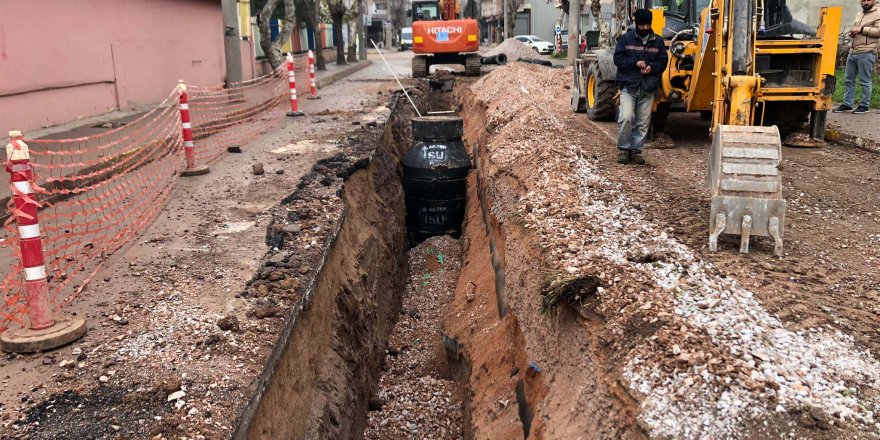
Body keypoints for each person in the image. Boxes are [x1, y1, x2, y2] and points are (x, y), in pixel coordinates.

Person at [613, 9, 668, 165]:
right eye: (642, 24)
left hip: (648, 87)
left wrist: (652, 67)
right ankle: (623, 150)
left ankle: (636, 151)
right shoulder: (625, 40)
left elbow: (663, 62)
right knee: (626, 117)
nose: (645, 27)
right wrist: (635, 63)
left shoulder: (658, 41)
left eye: (647, 24)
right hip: (629, 86)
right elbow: (618, 59)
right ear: (636, 24)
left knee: (643, 123)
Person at [834, 0, 880, 114]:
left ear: (873, 0)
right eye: (863, 0)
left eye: (868, 0)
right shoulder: (860, 13)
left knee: (865, 81)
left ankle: (864, 106)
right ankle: (847, 104)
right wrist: (852, 33)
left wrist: (861, 29)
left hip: (867, 51)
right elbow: (856, 29)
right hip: (853, 51)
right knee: (849, 79)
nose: (865, 2)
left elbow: (878, 31)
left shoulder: (878, 13)